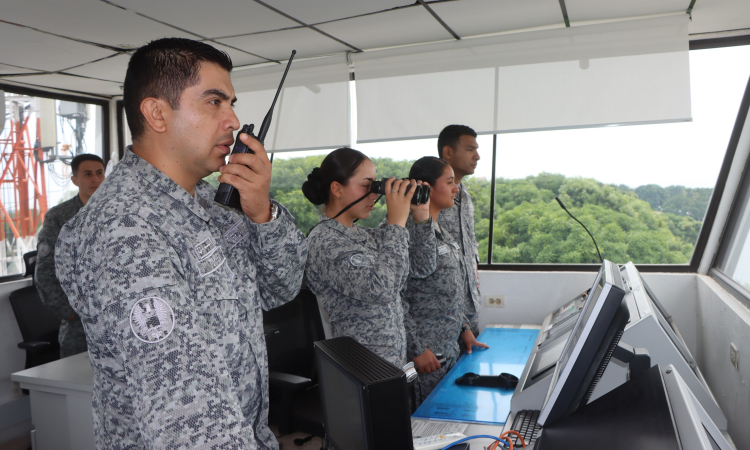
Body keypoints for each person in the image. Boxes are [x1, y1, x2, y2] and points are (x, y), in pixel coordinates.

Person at [55, 38, 308, 450]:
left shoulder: (213, 201)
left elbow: (280, 287)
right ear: (157, 113)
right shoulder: (124, 228)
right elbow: (188, 415)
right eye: (214, 102)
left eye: (231, 103)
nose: (233, 120)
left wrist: (262, 214)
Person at [302, 148, 435, 368]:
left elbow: (423, 266)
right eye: (367, 185)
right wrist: (396, 223)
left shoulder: (364, 235)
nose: (375, 194)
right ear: (337, 189)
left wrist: (420, 215)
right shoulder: (324, 241)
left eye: (375, 186)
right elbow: (382, 290)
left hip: (391, 363)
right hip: (361, 369)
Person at [404, 157, 489, 406]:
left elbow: (448, 293)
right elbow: (396, 298)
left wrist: (465, 330)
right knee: (429, 427)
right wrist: (417, 349)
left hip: (449, 349)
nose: (456, 188)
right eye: (450, 182)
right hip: (428, 356)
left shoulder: (441, 230)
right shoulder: (408, 233)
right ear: (427, 188)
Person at [35, 153, 105, 358]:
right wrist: (71, 312)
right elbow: (45, 273)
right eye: (87, 174)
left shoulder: (117, 212)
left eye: (99, 173)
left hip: (116, 319)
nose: (95, 179)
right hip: (79, 328)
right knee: (76, 385)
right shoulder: (60, 217)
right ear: (75, 179)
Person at [437, 125, 483, 341]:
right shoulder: (425, 196)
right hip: (439, 313)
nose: (478, 156)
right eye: (470, 149)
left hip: (468, 306)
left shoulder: (465, 195)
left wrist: (473, 270)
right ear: (448, 152)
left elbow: (469, 242)